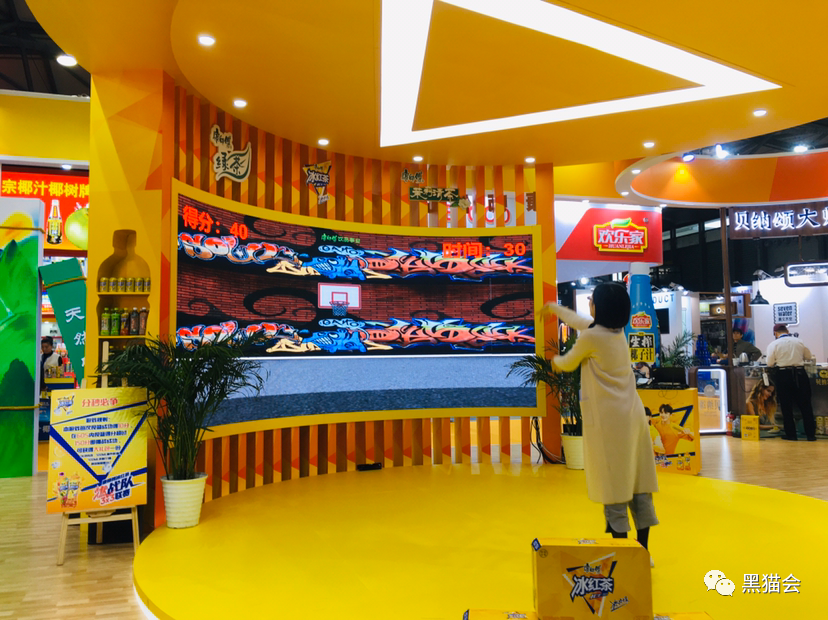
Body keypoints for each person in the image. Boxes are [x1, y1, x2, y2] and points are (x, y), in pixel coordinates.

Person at [542, 283, 658, 564]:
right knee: (638, 484)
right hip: (632, 415)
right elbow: (580, 321)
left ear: (600, 308)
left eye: (592, 300)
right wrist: (554, 309)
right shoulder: (615, 332)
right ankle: (642, 552)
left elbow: (568, 362)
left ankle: (625, 554)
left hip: (610, 422)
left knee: (614, 486)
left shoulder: (593, 337)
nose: (589, 304)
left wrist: (553, 361)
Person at [765, 324, 816, 441]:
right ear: (787, 331)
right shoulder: (799, 342)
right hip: (800, 374)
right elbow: (808, 356)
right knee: (806, 405)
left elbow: (770, 363)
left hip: (784, 375)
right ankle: (810, 434)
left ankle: (791, 434)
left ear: (775, 333)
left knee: (786, 406)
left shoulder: (774, 344)